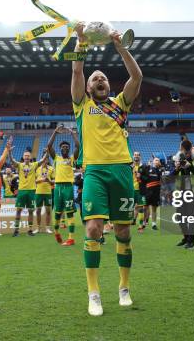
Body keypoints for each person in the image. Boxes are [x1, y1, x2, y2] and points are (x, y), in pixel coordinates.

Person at [71, 22, 142, 316]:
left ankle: (124, 287)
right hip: (95, 172)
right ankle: (94, 293)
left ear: (109, 86)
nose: (99, 80)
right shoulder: (81, 105)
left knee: (123, 231)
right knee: (93, 228)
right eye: (95, 78)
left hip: (122, 172)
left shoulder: (120, 105)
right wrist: (81, 41)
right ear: (88, 87)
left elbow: (137, 76)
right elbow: (76, 70)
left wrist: (120, 47)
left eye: (103, 78)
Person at [47, 125, 80, 244]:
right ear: (60, 149)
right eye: (63, 147)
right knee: (57, 214)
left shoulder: (72, 159)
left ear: (69, 149)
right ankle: (56, 233)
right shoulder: (56, 158)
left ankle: (71, 238)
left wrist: (72, 133)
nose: (65, 148)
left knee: (70, 212)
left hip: (68, 188)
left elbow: (78, 146)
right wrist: (55, 132)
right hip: (57, 188)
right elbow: (49, 146)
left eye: (67, 147)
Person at [8, 148, 48, 237]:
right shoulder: (19, 165)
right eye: (25, 155)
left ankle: (30, 230)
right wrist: (10, 152)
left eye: (28, 156)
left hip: (31, 191)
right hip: (21, 191)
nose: (26, 157)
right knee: (18, 210)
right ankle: (16, 230)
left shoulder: (34, 165)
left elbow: (42, 160)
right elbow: (11, 160)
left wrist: (47, 152)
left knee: (31, 211)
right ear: (23, 157)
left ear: (30, 157)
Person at [34, 150, 55, 235]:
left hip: (48, 192)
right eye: (44, 158)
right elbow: (34, 180)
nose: (45, 160)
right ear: (41, 159)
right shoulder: (37, 169)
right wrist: (40, 180)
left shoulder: (51, 169)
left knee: (48, 211)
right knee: (38, 210)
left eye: (46, 158)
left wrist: (49, 180)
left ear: (48, 160)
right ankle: (38, 228)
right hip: (38, 192)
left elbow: (54, 180)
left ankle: (47, 228)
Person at [142, 157, 163, 231]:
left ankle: (154, 224)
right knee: (145, 208)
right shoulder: (147, 168)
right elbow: (142, 177)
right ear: (153, 161)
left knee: (154, 208)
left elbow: (162, 180)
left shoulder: (160, 170)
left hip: (156, 192)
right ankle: (144, 222)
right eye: (156, 160)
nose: (157, 161)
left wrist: (159, 168)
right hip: (147, 192)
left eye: (158, 160)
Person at [131, 152, 147, 231]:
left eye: (138, 155)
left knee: (141, 208)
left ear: (140, 157)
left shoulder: (144, 166)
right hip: (131, 189)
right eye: (135, 155)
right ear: (133, 156)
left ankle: (140, 225)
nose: (136, 156)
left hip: (140, 190)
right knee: (129, 207)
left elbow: (146, 178)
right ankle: (126, 223)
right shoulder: (130, 166)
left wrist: (141, 177)